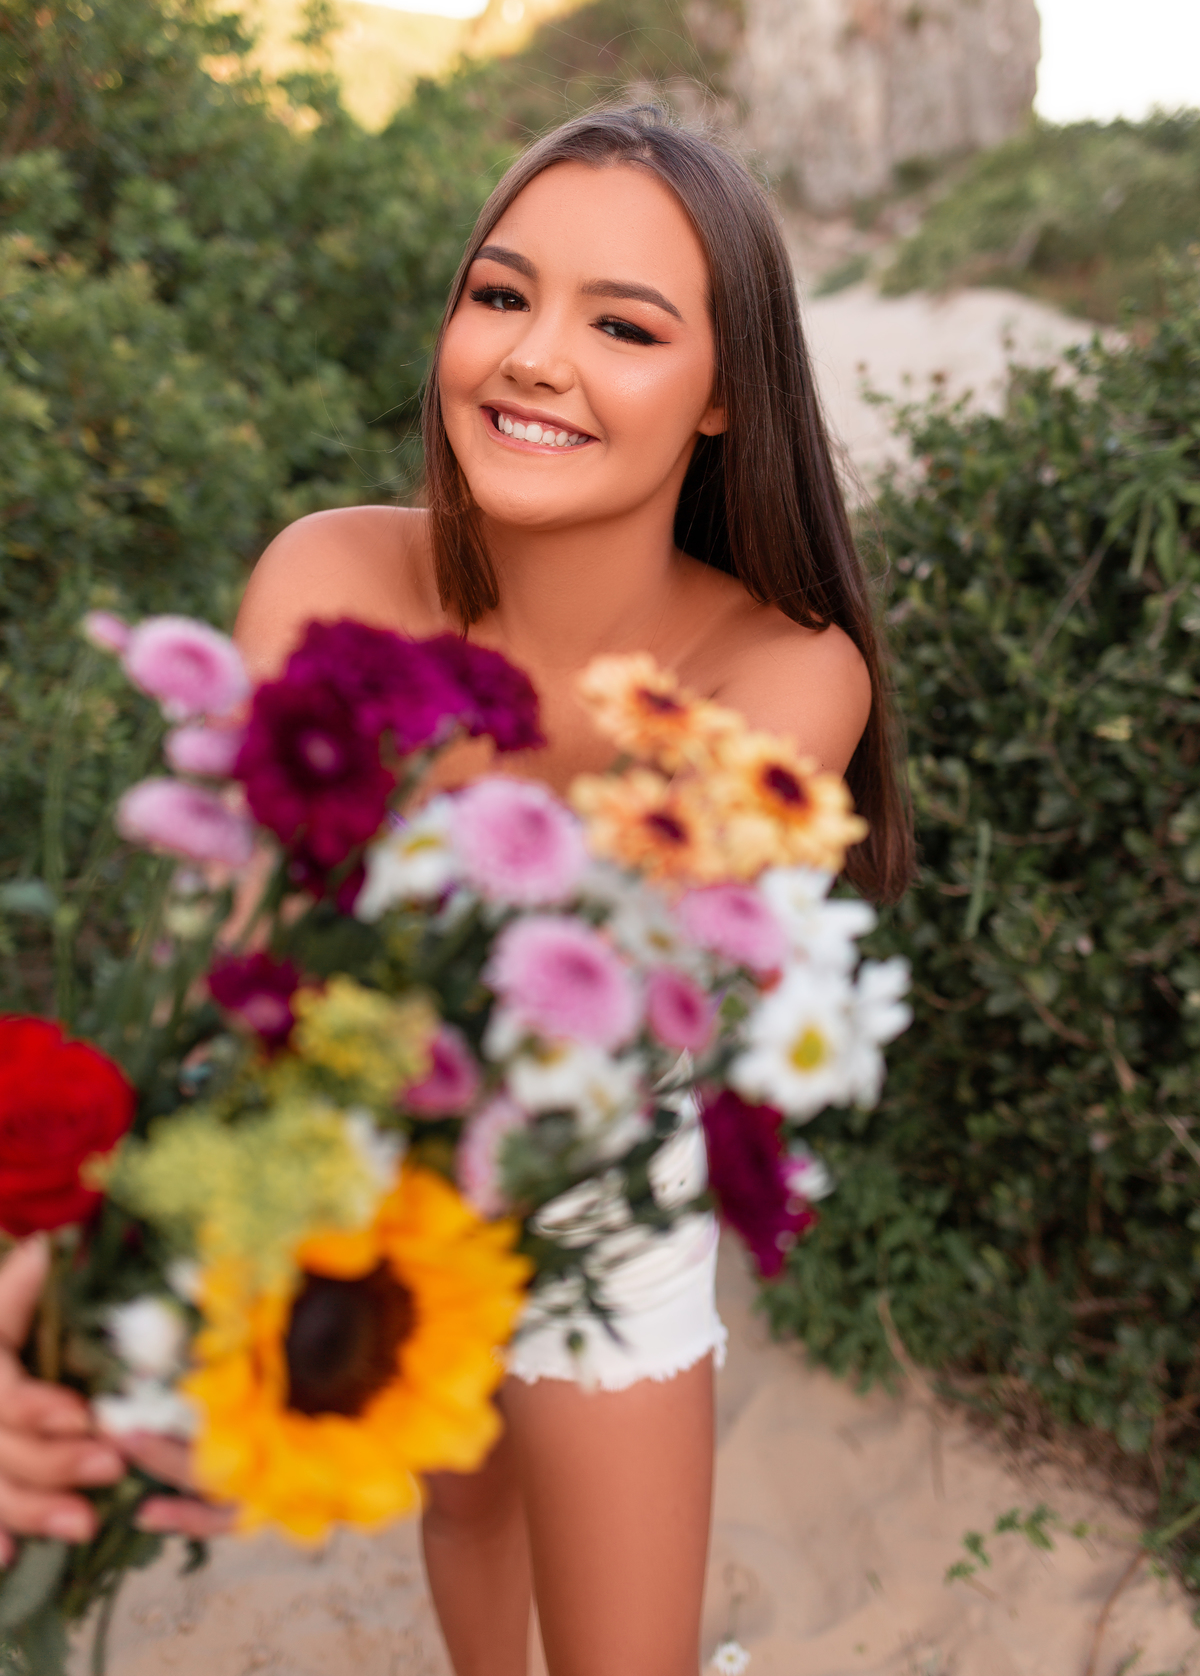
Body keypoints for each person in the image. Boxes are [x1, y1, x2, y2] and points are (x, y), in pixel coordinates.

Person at [0, 106, 911, 1674]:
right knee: (469, 1500)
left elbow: (562, 1018)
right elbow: (256, 977)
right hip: (349, 1144)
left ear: (723, 399)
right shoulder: (324, 575)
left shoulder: (784, 673)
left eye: (623, 325)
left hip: (598, 1174)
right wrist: (92, 1240)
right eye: (501, 295)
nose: (532, 356)